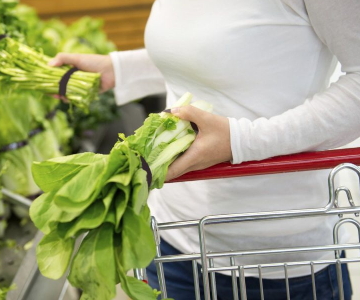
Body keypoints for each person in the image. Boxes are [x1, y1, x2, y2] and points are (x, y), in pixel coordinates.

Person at [49, 0, 359, 299]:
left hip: (279, 258)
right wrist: (120, 68)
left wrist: (241, 141)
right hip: (170, 237)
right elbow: (215, 54)